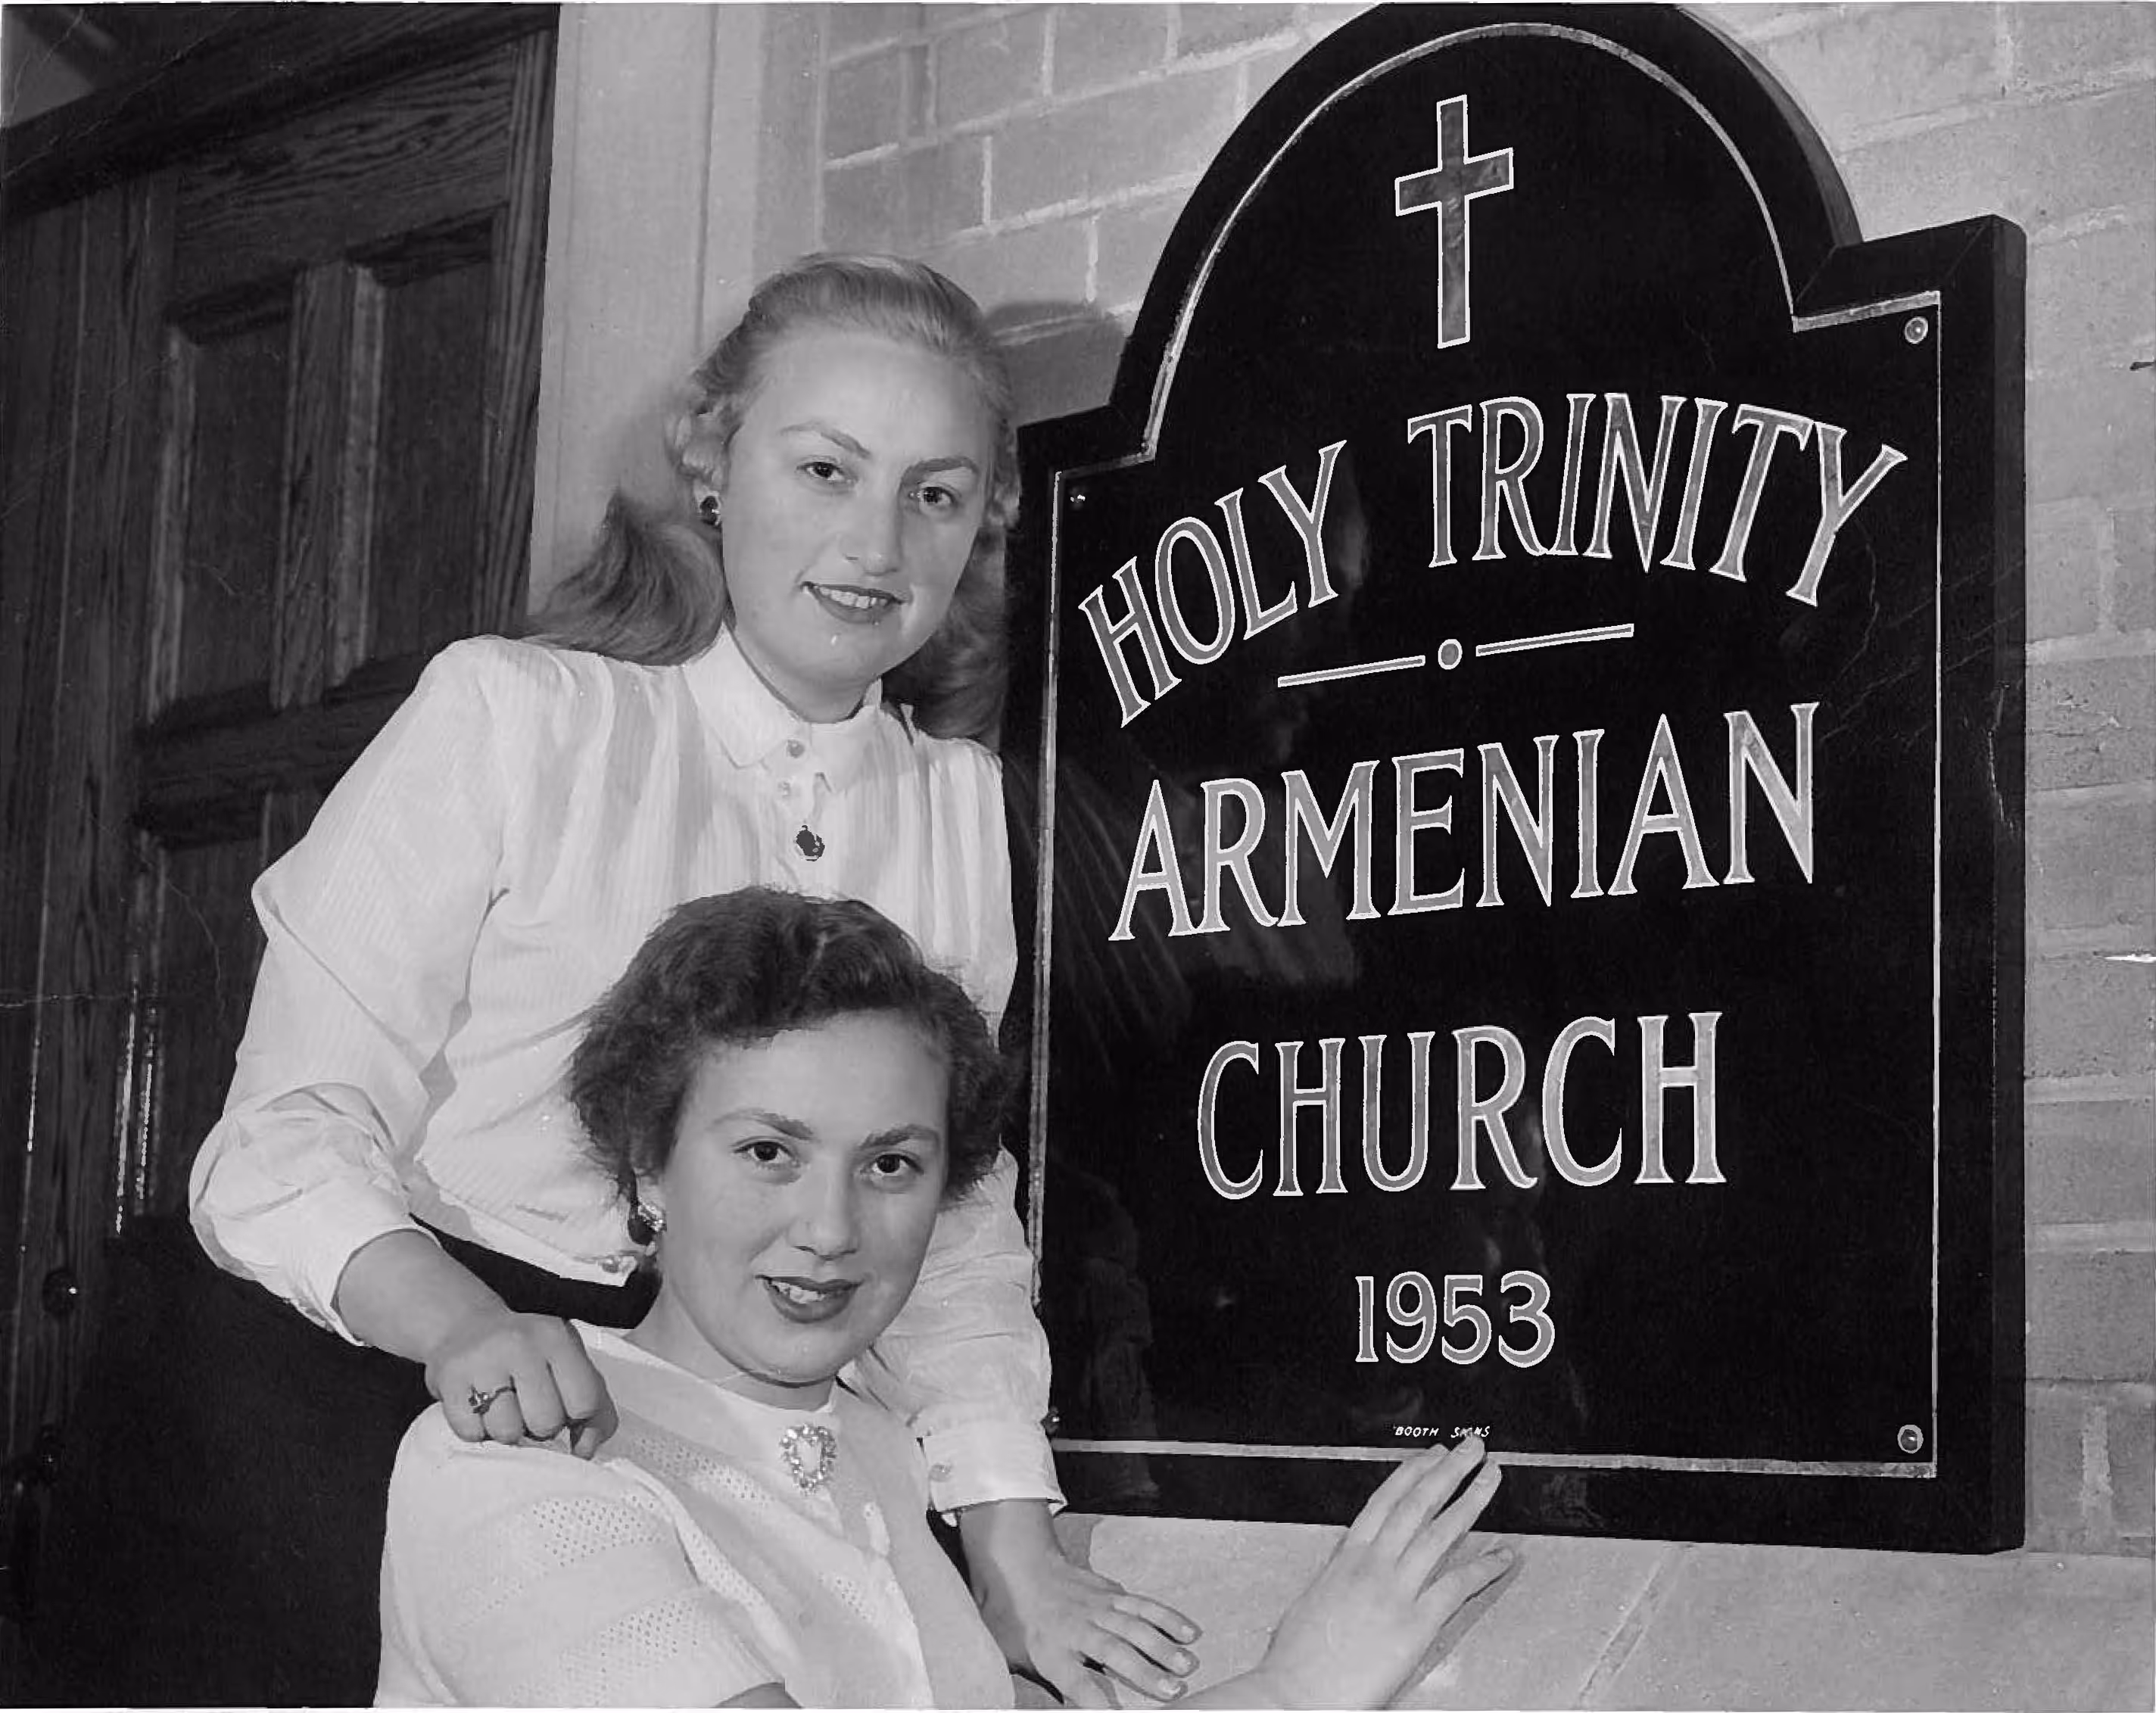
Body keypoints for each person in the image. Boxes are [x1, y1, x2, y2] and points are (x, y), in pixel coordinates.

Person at [111, 254, 1185, 1705]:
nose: (874, 541)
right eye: (823, 468)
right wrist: (462, 1328)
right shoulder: (513, 715)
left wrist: (1015, 1542)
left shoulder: (959, 811)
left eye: (933, 492)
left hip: (707, 1409)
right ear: (713, 465)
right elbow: (278, 1142)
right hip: (364, 1362)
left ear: (983, 520)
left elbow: (953, 1212)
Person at [378, 888, 1514, 1707]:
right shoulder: (513, 1462)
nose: (830, 1229)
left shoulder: (877, 1447)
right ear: (646, 1165)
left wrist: (1295, 1674)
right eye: (769, 1150)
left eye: (890, 1164)